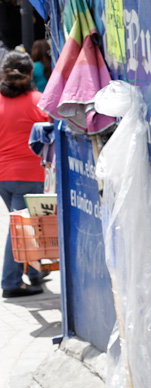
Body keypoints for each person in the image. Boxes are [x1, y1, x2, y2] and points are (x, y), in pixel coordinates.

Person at [1, 51, 49, 298]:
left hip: (3, 176)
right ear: (31, 73)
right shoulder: (39, 101)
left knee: (24, 226)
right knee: (20, 228)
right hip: (29, 175)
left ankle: (33, 272)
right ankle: (10, 281)